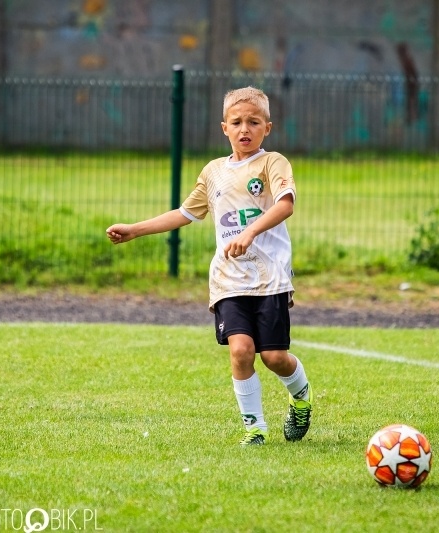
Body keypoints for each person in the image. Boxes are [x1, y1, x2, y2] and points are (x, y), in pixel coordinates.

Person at [106, 86, 313, 447]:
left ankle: (301, 398)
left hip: (270, 279)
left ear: (268, 127)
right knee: (241, 351)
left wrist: (249, 233)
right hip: (229, 279)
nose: (244, 128)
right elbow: (185, 214)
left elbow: (285, 205)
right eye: (237, 122)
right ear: (224, 128)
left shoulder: (272, 163)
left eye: (253, 122)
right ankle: (255, 428)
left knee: (275, 357)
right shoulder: (214, 172)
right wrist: (133, 230)